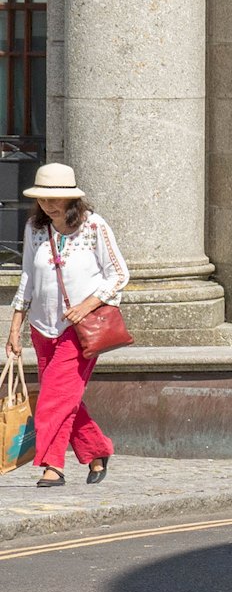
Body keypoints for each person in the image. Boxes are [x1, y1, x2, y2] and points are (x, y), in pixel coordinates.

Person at [6, 164, 122, 488]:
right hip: (41, 328)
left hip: (80, 330)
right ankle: (97, 449)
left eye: (55, 199)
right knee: (63, 397)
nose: (49, 205)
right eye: (43, 199)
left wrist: (87, 305)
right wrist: (15, 326)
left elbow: (119, 274)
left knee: (52, 400)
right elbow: (27, 277)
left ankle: (52, 465)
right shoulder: (35, 228)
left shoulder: (94, 227)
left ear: (72, 198)